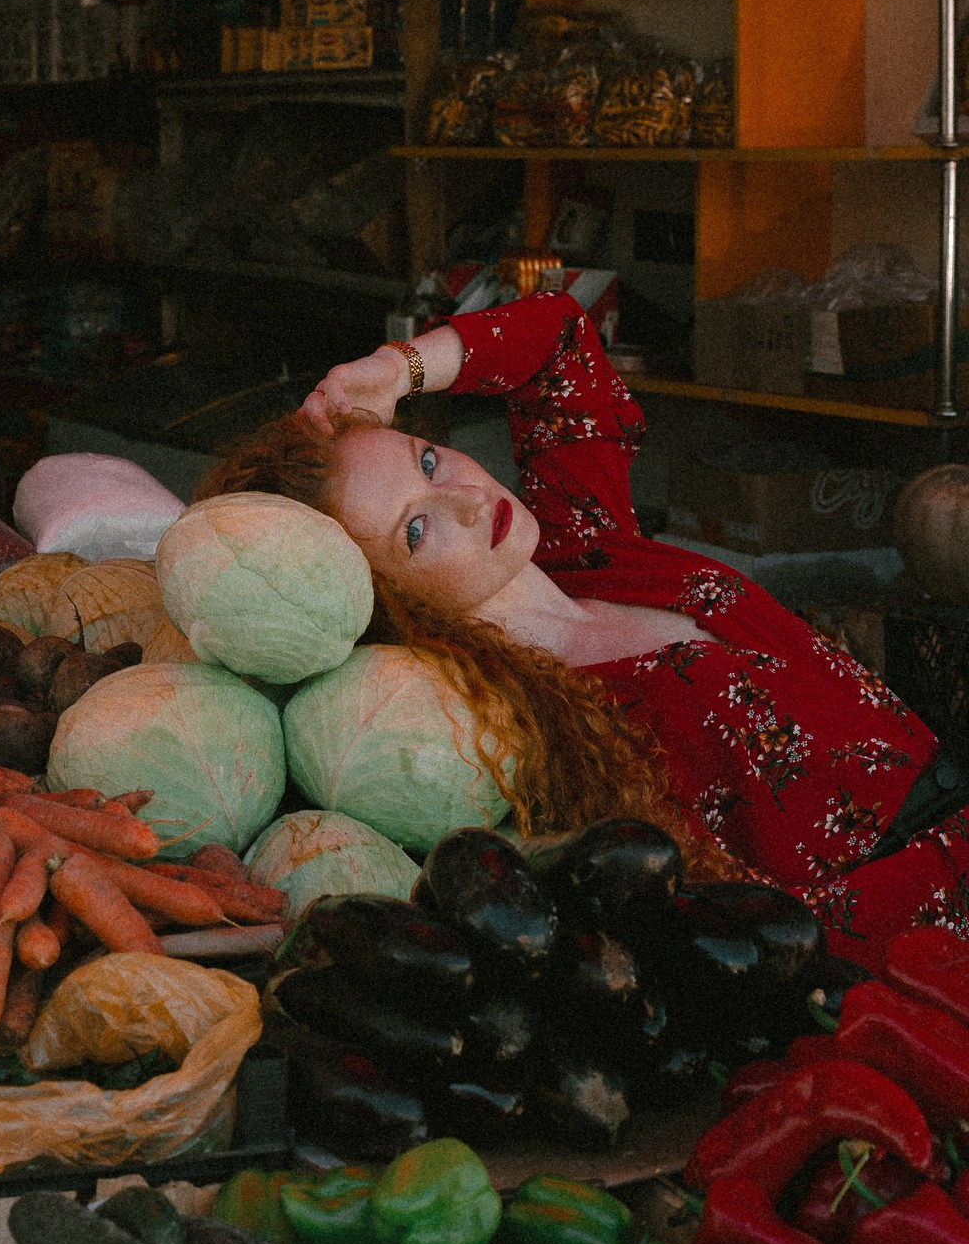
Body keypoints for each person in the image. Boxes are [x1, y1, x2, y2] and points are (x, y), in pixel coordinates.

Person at [200, 290, 968, 968]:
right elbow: (747, 925)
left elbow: (560, 334)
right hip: (916, 937)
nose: (468, 499)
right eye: (415, 532)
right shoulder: (526, 728)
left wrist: (396, 369)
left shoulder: (586, 543)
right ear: (383, 604)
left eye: (429, 462)